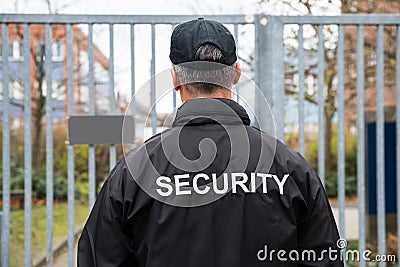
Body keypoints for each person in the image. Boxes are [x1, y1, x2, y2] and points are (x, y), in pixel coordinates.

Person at [78, 18, 343, 267]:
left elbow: (100, 258)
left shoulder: (135, 172)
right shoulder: (290, 168)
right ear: (236, 73)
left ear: (175, 78)